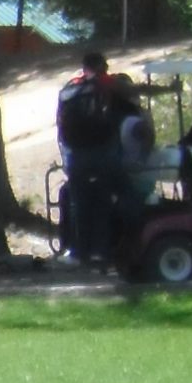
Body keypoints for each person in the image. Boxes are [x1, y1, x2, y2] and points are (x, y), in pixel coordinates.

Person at [53, 47, 134, 260]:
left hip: (76, 155)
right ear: (99, 66)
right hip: (101, 152)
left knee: (79, 203)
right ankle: (102, 251)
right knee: (103, 200)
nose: (107, 70)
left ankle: (79, 252)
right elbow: (133, 91)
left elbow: (60, 125)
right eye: (105, 66)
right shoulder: (103, 82)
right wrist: (169, 88)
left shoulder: (70, 87)